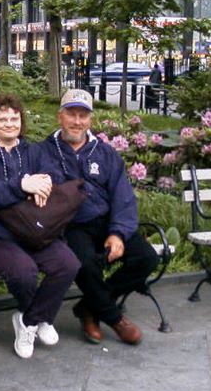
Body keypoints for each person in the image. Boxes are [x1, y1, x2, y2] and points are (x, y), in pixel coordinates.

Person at [0, 94, 80, 359]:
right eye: (2, 118)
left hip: (35, 230)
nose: (8, 123)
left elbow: (55, 176)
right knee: (24, 271)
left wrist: (44, 183)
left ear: (21, 121)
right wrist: (22, 185)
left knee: (67, 264)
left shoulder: (33, 151)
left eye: (14, 118)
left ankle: (29, 320)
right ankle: (38, 318)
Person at [39, 89, 159, 345]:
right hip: (70, 227)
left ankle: (89, 308)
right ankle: (115, 319)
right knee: (84, 263)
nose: (77, 121)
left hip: (106, 222)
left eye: (83, 115)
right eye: (71, 114)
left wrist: (117, 233)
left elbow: (123, 197)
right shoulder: (43, 153)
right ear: (60, 116)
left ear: (90, 120)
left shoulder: (105, 153)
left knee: (146, 258)